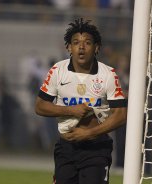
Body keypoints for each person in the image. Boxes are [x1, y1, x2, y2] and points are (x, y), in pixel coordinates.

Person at [35, 18, 127, 184]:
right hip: (66, 148)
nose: (81, 47)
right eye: (76, 42)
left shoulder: (108, 74)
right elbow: (40, 106)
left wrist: (89, 133)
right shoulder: (57, 70)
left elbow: (121, 115)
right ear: (69, 47)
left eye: (87, 42)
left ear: (96, 47)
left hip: (96, 149)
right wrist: (71, 110)